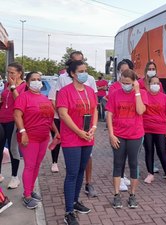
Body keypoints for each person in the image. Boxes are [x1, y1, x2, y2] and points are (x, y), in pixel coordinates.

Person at [56, 60, 98, 225]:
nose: (84, 73)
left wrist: (94, 127)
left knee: (81, 171)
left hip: (88, 137)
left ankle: (75, 201)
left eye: (85, 70)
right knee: (72, 174)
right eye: (81, 71)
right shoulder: (65, 91)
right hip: (72, 138)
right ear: (72, 73)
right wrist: (79, 131)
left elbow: (94, 109)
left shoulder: (89, 90)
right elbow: (63, 114)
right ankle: (68, 212)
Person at [14, 72, 59, 209]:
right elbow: (17, 116)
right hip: (29, 138)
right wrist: (23, 132)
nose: (37, 82)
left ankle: (30, 190)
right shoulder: (23, 97)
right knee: (30, 165)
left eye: (39, 79)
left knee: (36, 165)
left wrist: (56, 132)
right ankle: (27, 196)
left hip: (43, 137)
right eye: (33, 80)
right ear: (27, 83)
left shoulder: (44, 99)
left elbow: (49, 118)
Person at [106, 69, 148, 209]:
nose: (125, 85)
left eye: (128, 83)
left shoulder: (141, 93)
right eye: (123, 82)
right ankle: (117, 195)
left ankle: (132, 195)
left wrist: (136, 91)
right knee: (118, 164)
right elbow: (109, 115)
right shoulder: (114, 94)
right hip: (118, 134)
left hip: (135, 135)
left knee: (134, 164)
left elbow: (140, 111)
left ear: (134, 82)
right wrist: (111, 134)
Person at [105, 59, 134, 192]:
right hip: (119, 127)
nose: (124, 73)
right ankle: (120, 177)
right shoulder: (115, 87)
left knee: (129, 155)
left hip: (133, 128)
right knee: (119, 156)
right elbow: (111, 109)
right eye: (122, 71)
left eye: (127, 70)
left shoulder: (136, 86)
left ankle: (123, 175)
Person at [142, 76, 166, 186]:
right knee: (149, 151)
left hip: (161, 128)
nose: (155, 85)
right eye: (153, 83)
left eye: (157, 83)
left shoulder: (164, 97)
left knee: (162, 152)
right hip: (147, 128)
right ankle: (150, 174)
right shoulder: (144, 95)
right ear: (149, 84)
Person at [0, 62, 26, 188]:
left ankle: (15, 177)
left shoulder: (23, 86)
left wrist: (13, 87)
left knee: (12, 148)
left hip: (13, 120)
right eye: (8, 72)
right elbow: (4, 99)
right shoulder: (6, 84)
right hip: (1, 118)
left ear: (19, 73)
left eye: (12, 73)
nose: (9, 75)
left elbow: (20, 102)